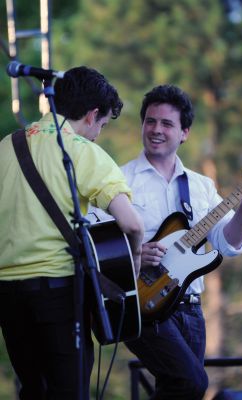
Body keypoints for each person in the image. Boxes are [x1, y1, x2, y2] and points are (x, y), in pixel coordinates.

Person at [88, 84, 242, 400]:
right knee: (191, 383)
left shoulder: (200, 186)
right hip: (141, 302)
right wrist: (135, 251)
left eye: (166, 124)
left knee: (181, 390)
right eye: (150, 121)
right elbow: (93, 243)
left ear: (184, 132)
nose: (156, 130)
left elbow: (229, 244)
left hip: (190, 309)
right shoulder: (118, 179)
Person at [0, 66, 144, 400]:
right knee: (70, 391)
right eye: (103, 125)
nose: (98, 135)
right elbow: (132, 224)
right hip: (58, 292)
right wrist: (134, 260)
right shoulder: (79, 150)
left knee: (34, 390)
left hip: (7, 295)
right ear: (92, 115)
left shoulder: (7, 146)